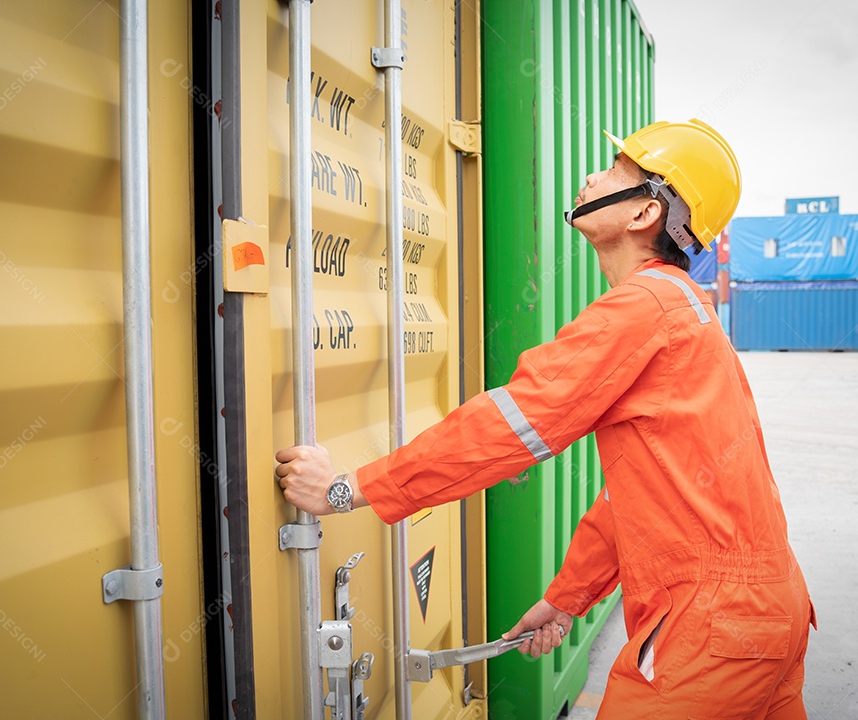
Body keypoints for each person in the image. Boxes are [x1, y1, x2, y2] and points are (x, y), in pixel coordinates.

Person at [276, 119, 815, 719]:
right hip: (765, 611)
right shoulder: (685, 310)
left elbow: (511, 424)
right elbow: (636, 499)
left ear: (644, 214)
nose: (592, 177)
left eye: (616, 171)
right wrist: (566, 600)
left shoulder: (644, 307)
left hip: (713, 627)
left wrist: (349, 489)